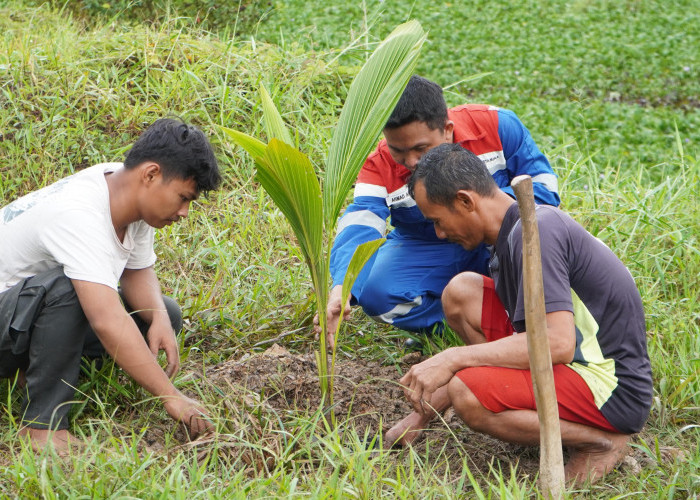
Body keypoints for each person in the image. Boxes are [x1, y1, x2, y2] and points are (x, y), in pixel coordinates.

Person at [385, 144, 652, 484]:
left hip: (609, 387)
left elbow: (556, 342)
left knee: (468, 391)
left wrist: (453, 359)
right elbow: (528, 334)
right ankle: (528, 408)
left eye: (438, 220)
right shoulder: (509, 236)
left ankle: (600, 443)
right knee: (462, 292)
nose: (439, 233)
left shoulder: (536, 232)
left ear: (466, 201)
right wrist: (422, 414)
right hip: (570, 360)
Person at [0, 117, 222, 453]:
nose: (185, 212)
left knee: (161, 315)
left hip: (23, 316)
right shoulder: (79, 213)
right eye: (183, 197)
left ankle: (39, 369)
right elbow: (105, 318)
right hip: (7, 316)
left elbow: (135, 271)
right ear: (151, 174)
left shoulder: (126, 188)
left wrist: (159, 318)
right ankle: (42, 428)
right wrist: (171, 397)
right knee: (70, 291)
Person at [322, 75, 560, 345]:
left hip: (498, 239)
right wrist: (343, 284)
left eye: (421, 148)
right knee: (377, 294)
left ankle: (510, 321)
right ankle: (458, 323)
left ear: (447, 130)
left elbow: (543, 189)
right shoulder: (378, 164)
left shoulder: (497, 125)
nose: (411, 161)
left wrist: (483, 215)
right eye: (398, 150)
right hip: (428, 243)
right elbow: (361, 221)